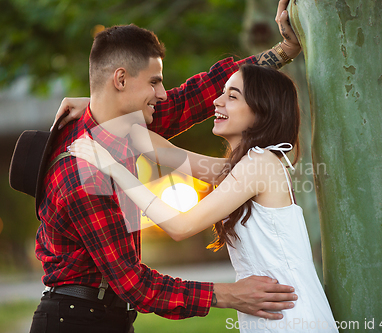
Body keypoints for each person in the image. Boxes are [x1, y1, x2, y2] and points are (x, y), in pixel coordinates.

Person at [32, 1, 302, 332]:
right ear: (120, 79)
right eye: (154, 82)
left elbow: (198, 94)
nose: (162, 94)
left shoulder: (129, 127)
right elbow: (136, 284)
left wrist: (285, 49)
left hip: (107, 315)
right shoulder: (84, 174)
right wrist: (229, 295)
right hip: (75, 320)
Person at [69, 64, 338, 332]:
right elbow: (162, 151)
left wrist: (113, 168)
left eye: (232, 96)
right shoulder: (245, 167)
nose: (217, 101)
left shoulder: (261, 164)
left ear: (262, 111)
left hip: (290, 318)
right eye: (222, 92)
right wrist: (99, 109)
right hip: (272, 314)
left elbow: (181, 226)